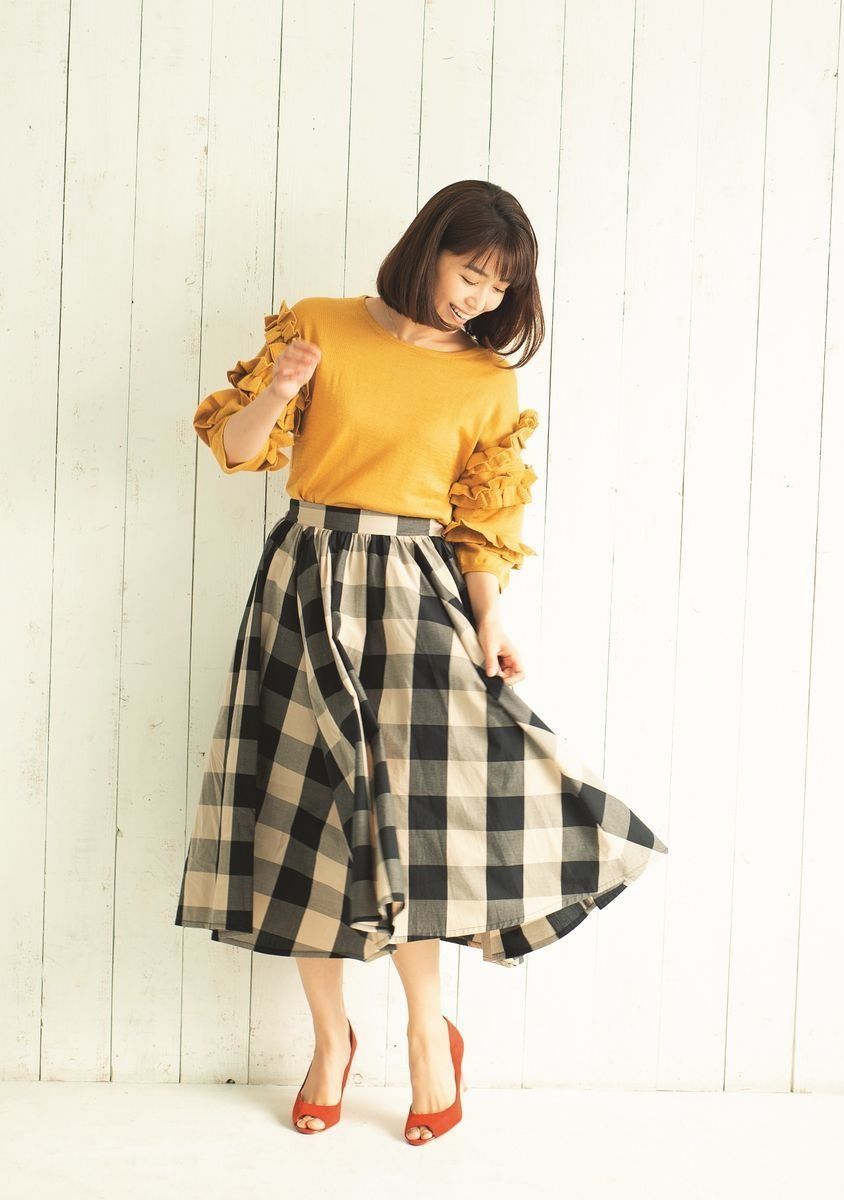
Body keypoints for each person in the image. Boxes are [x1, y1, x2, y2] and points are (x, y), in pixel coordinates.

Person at [174, 179, 669, 1142]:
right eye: (469, 272)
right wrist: (279, 389)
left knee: (413, 820)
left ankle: (428, 1037)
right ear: (428, 248)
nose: (478, 297)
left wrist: (488, 618)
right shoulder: (319, 325)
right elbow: (235, 448)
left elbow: (486, 515)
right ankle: (330, 1043)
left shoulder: (485, 380)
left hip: (415, 593)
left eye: (498, 286)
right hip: (307, 580)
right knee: (305, 813)